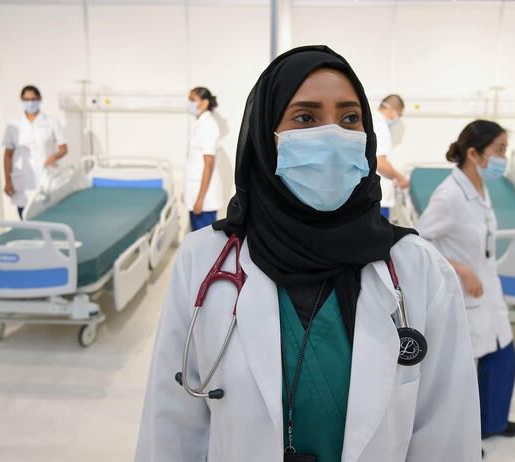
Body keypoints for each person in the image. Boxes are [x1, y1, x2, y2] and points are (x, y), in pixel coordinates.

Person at [135, 45, 480, 461]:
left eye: (350, 118)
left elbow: (447, 434)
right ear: (266, 134)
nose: (333, 135)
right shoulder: (204, 259)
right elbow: (171, 426)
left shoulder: (418, 269)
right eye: (306, 117)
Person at [417, 120, 515, 441]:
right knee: (465, 374)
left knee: (504, 358)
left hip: (489, 292)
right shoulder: (449, 194)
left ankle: (493, 423)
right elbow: (418, 242)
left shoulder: (480, 187)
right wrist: (459, 268)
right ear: (474, 153)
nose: (504, 157)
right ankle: (465, 438)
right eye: (500, 150)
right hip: (465, 296)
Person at [2, 85, 68, 219]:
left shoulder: (51, 122)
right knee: (26, 219)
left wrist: (54, 157)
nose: (30, 103)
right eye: (27, 99)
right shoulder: (14, 125)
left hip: (46, 176)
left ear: (40, 99)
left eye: (34, 99)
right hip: (23, 182)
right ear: (21, 100)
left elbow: (63, 148)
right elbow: (8, 154)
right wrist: (7, 181)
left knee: (51, 218)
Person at [186, 87, 223, 231]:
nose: (189, 104)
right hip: (195, 193)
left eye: (192, 100)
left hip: (204, 200)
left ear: (205, 103)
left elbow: (208, 164)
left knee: (204, 244)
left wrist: (200, 199)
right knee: (197, 242)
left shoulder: (208, 126)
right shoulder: (199, 125)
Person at [373, 94, 410, 219]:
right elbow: (380, 162)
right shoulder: (380, 126)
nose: (397, 118)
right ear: (391, 109)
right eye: (398, 115)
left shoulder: (372, 121)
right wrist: (399, 178)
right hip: (379, 200)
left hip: (375, 196)